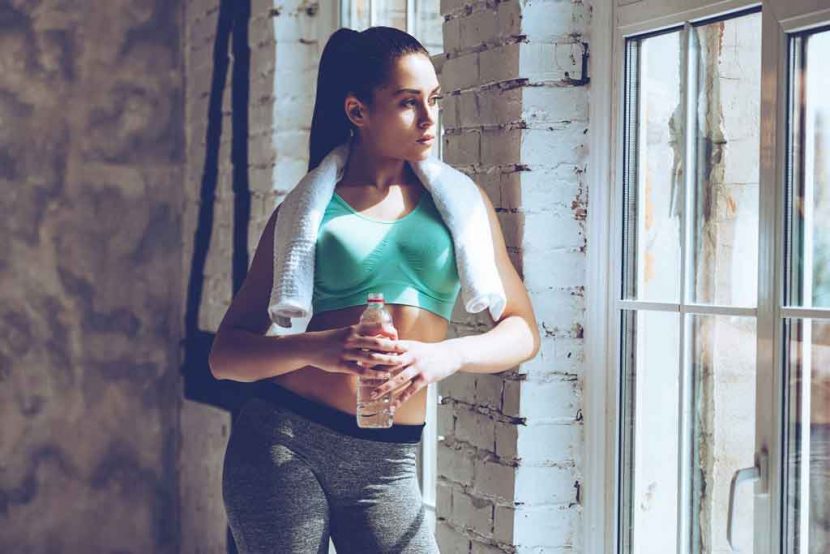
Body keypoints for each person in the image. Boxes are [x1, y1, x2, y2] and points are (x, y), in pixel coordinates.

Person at [209, 26, 541, 553]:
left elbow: (523, 332)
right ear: (358, 111)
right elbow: (225, 356)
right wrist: (319, 348)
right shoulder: (306, 212)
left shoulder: (460, 205)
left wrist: (445, 355)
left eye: (434, 99)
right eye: (409, 103)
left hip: (388, 461)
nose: (429, 118)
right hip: (284, 443)